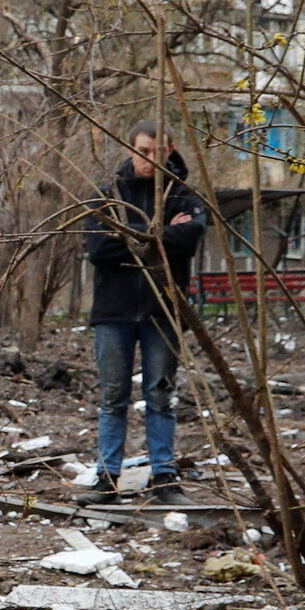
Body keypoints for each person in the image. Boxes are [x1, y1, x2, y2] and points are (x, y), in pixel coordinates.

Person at [82, 121, 209, 505]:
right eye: (142, 150)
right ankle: (107, 479)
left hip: (163, 309)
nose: (150, 160)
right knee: (113, 396)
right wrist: (158, 236)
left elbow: (189, 241)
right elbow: (98, 251)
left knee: (160, 395)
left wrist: (129, 235)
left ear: (170, 151)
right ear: (130, 148)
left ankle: (165, 479)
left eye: (158, 152)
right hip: (113, 311)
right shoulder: (107, 195)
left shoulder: (183, 196)